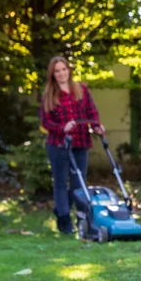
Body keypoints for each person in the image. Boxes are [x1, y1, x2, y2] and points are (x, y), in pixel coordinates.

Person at [39, 55, 104, 234]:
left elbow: (92, 111)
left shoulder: (81, 90)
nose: (61, 74)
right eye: (57, 71)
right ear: (53, 75)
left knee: (78, 183)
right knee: (60, 182)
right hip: (58, 144)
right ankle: (65, 221)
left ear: (69, 70)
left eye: (63, 69)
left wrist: (97, 126)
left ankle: (78, 217)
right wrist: (62, 128)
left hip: (81, 142)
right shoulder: (49, 95)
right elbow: (45, 122)